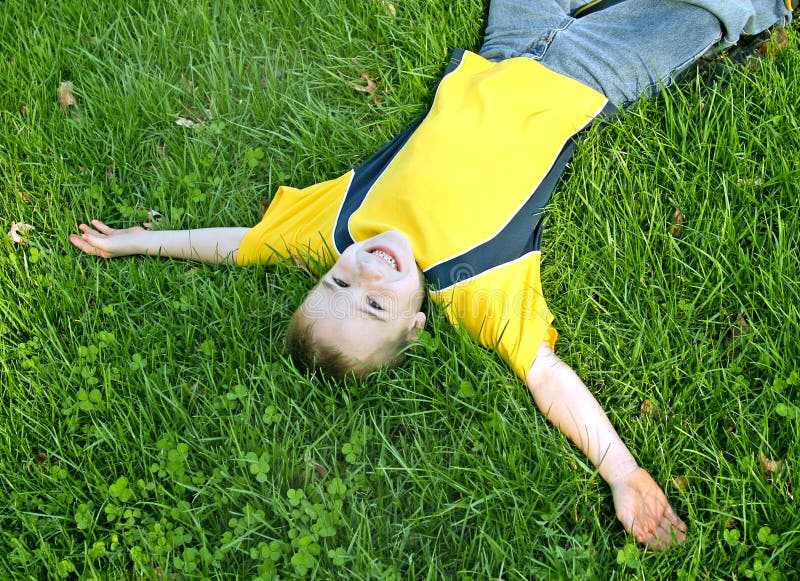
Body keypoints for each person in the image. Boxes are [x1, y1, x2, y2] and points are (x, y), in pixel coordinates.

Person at [70, 0, 794, 551]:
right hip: (588, 76)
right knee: (719, 7)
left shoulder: (342, 223)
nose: (365, 273)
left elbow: (240, 244)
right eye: (377, 305)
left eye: (337, 284)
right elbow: (547, 377)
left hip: (506, 46)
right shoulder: (476, 281)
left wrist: (141, 241)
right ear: (416, 321)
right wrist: (622, 472)